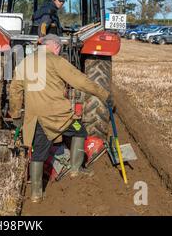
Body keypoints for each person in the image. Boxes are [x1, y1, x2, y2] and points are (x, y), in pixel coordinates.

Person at [9, 34, 113, 203]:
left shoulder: (25, 62)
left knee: (38, 153)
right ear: (56, 46)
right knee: (80, 131)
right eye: (60, 49)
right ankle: (75, 169)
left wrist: (16, 115)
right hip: (59, 115)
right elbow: (81, 81)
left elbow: (15, 91)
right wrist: (103, 94)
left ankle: (36, 194)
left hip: (36, 117)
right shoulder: (57, 61)